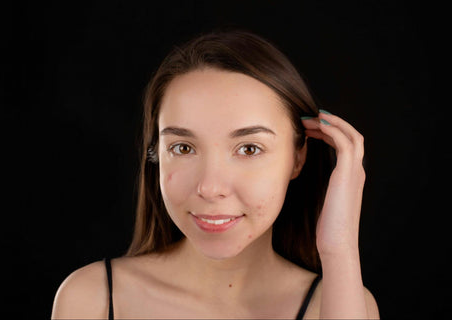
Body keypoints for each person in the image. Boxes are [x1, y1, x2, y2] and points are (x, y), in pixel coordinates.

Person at [52, 28, 380, 319]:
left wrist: (338, 249)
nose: (210, 188)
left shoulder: (344, 304)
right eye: (183, 148)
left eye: (249, 149)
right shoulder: (92, 299)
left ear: (297, 159)